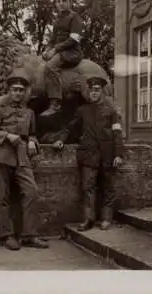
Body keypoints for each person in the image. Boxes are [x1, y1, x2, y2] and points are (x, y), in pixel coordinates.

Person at [0, 69, 49, 250]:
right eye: (15, 89)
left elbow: (33, 134)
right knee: (3, 197)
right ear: (9, 91)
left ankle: (29, 235)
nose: (18, 93)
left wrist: (32, 141)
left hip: (22, 157)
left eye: (21, 90)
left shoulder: (29, 113)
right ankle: (8, 235)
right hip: (0, 155)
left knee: (32, 192)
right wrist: (7, 136)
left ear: (25, 92)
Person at [52, 76, 124, 231]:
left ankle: (106, 218)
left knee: (108, 187)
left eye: (97, 90)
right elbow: (69, 127)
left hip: (107, 156)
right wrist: (61, 140)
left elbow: (117, 133)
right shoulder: (82, 110)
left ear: (102, 91)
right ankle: (88, 219)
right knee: (87, 187)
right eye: (91, 90)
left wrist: (118, 154)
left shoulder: (111, 111)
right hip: (88, 156)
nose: (94, 93)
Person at [40, 0, 85, 117]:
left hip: (72, 52)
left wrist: (55, 49)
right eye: (58, 1)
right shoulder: (57, 20)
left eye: (64, 1)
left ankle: (55, 104)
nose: (61, 3)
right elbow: (52, 40)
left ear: (70, 2)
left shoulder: (75, 18)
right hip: (59, 51)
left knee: (50, 67)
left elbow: (74, 39)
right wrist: (47, 50)